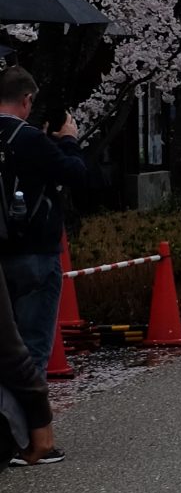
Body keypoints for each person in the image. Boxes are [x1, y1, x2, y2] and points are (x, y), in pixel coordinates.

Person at [0, 63, 92, 373]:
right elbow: (76, 174)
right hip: (34, 253)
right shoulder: (29, 139)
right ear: (26, 99)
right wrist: (68, 140)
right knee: (31, 351)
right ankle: (28, 420)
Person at [0, 260, 60, 466]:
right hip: (36, 246)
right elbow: (7, 348)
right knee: (33, 344)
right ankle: (26, 437)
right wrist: (39, 415)